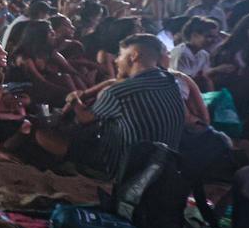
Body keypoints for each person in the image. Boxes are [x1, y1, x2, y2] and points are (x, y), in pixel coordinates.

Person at [45, 34, 185, 179]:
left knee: (45, 134)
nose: (117, 61)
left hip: (121, 169)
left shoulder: (118, 92)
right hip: (163, 166)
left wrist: (74, 99)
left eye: (120, 55)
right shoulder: (172, 83)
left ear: (134, 56)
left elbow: (83, 118)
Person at [169, 16, 219, 91]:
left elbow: (206, 79)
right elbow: (185, 83)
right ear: (195, 35)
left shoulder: (204, 54)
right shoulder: (182, 54)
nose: (214, 41)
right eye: (209, 36)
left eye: (215, 37)